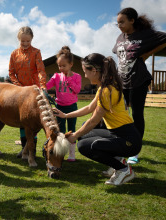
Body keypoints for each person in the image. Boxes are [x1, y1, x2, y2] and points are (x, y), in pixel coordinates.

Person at [53, 53, 142, 186]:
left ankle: (123, 170)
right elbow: (89, 107)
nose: (85, 76)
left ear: (94, 71)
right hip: (118, 133)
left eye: (85, 72)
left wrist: (75, 135)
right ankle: (118, 161)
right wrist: (65, 115)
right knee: (84, 136)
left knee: (83, 146)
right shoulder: (104, 86)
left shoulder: (107, 90)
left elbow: (93, 120)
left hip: (128, 139)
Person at [113, 7, 166, 164]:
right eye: (117, 23)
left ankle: (134, 151)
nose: (119, 25)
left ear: (132, 20)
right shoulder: (120, 37)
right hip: (122, 82)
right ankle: (121, 146)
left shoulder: (145, 34)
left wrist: (149, 53)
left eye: (122, 22)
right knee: (120, 114)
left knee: (136, 115)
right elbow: (118, 54)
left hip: (138, 81)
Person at [8, 26, 47, 158]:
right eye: (22, 41)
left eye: (28, 41)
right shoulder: (14, 54)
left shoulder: (36, 52)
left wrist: (42, 86)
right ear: (19, 39)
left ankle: (32, 150)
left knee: (33, 121)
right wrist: (18, 87)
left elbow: (41, 70)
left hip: (34, 91)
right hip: (20, 92)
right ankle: (24, 149)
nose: (25, 44)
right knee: (22, 120)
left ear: (32, 39)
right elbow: (11, 73)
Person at [46, 46, 81, 162]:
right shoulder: (56, 76)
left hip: (72, 107)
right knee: (60, 131)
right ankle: (60, 153)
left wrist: (69, 79)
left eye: (63, 66)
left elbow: (77, 90)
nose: (61, 68)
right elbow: (46, 86)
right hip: (59, 107)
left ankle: (71, 154)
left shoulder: (77, 76)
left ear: (71, 64)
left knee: (71, 130)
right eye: (59, 66)